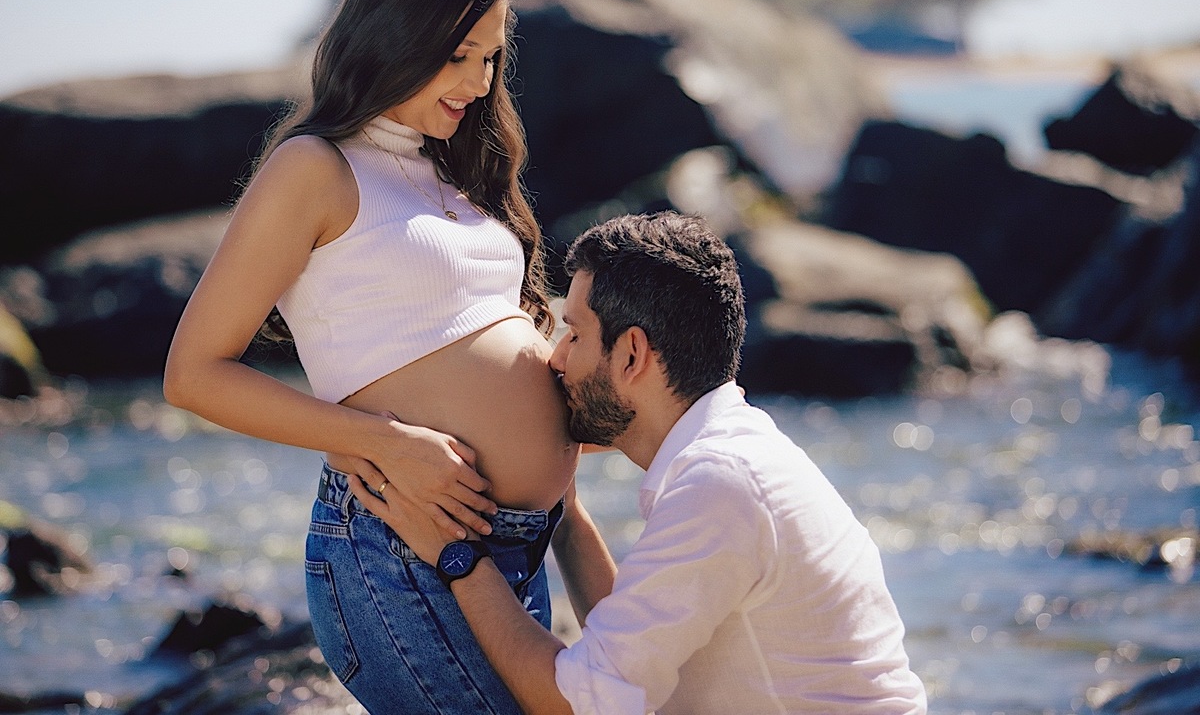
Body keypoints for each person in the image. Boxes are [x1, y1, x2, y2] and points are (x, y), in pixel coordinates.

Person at [163, 0, 580, 714]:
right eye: (456, 55)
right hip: (398, 543)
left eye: (491, 56)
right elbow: (192, 375)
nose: (478, 81)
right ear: (392, 36)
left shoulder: (452, 174)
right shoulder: (313, 170)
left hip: (513, 549)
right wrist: (384, 442)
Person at [352, 211, 928, 714]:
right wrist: (565, 513)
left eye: (574, 334)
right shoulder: (737, 454)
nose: (555, 357)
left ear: (631, 355)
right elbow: (629, 659)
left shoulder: (719, 486)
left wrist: (454, 554)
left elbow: (574, 704)